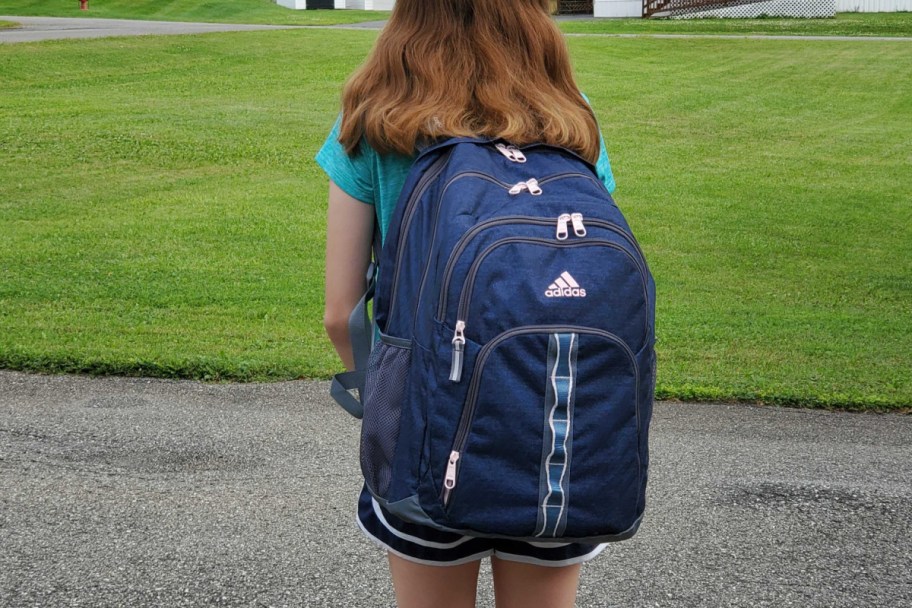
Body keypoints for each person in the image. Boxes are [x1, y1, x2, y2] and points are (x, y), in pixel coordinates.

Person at [317, 1, 617, 606]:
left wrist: (382, 402)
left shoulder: (376, 117)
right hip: (553, 438)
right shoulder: (570, 122)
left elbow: (339, 311)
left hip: (422, 439)